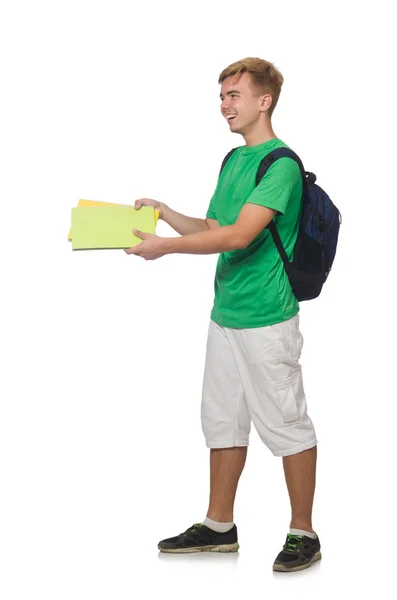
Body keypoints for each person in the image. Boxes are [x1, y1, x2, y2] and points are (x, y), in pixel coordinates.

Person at [125, 57, 321, 572]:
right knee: (222, 422)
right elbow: (214, 223)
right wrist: (168, 214)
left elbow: (239, 236)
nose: (224, 105)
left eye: (234, 95)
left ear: (265, 100)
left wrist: (164, 249)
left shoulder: (281, 165)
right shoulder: (234, 161)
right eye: (221, 96)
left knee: (287, 424)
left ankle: (304, 532)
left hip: (267, 319)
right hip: (226, 314)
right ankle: (219, 527)